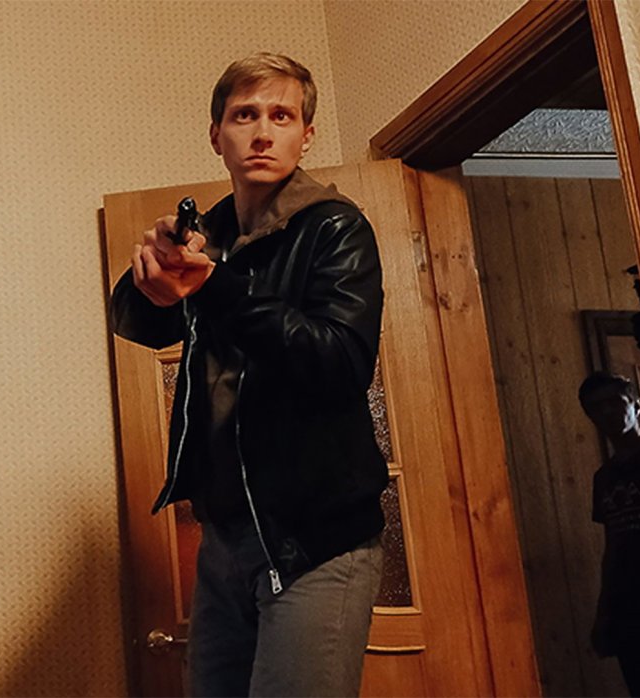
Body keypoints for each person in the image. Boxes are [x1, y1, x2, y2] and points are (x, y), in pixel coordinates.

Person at [109, 53, 387, 697]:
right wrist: (153, 269)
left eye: (281, 116)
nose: (263, 132)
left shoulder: (336, 226)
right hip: (225, 537)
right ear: (217, 135)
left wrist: (216, 287)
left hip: (317, 538)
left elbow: (341, 364)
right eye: (245, 116)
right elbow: (137, 323)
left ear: (306, 135)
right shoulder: (209, 233)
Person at [578, 371, 640, 697]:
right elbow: (613, 545)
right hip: (631, 606)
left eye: (615, 402)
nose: (607, 412)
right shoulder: (605, 478)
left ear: (636, 405)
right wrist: (604, 612)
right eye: (596, 407)